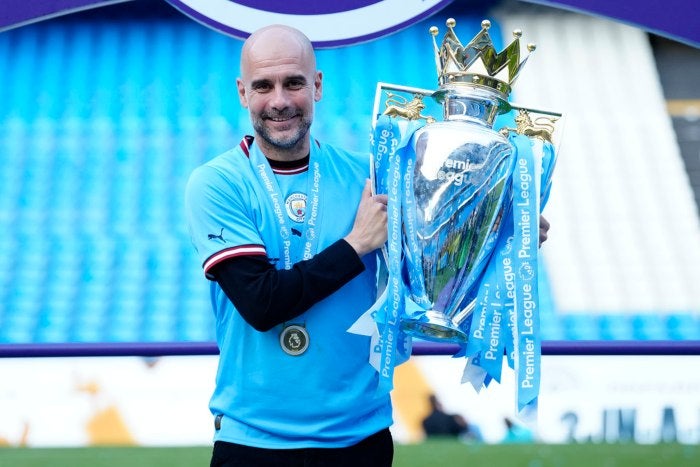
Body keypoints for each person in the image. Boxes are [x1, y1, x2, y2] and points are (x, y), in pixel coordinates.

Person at [185, 23, 551, 467]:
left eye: (294, 83)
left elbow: (434, 267)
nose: (279, 100)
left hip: (360, 440)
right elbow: (262, 304)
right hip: (255, 443)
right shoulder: (217, 183)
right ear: (243, 93)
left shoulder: (375, 175)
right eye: (263, 86)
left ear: (317, 86)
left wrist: (499, 238)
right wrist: (356, 244)